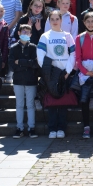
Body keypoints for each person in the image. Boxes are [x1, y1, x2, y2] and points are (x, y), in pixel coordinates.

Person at [37, 10, 76, 139]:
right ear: (49, 21)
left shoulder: (68, 36)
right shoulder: (45, 36)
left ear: (61, 20)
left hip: (64, 74)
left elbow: (73, 54)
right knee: (52, 103)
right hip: (51, 75)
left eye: (57, 19)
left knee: (63, 103)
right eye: (52, 19)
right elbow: (40, 55)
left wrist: (67, 71)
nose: (54, 21)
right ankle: (52, 128)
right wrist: (49, 72)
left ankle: (61, 128)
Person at [8, 24, 39, 138]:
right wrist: (27, 64)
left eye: (28, 32)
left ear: (31, 34)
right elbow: (12, 65)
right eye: (23, 32)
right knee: (19, 104)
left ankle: (32, 127)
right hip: (18, 80)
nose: (25, 34)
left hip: (31, 79)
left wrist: (20, 62)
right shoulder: (13, 48)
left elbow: (35, 63)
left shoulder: (34, 48)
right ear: (19, 33)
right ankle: (19, 127)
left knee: (30, 104)